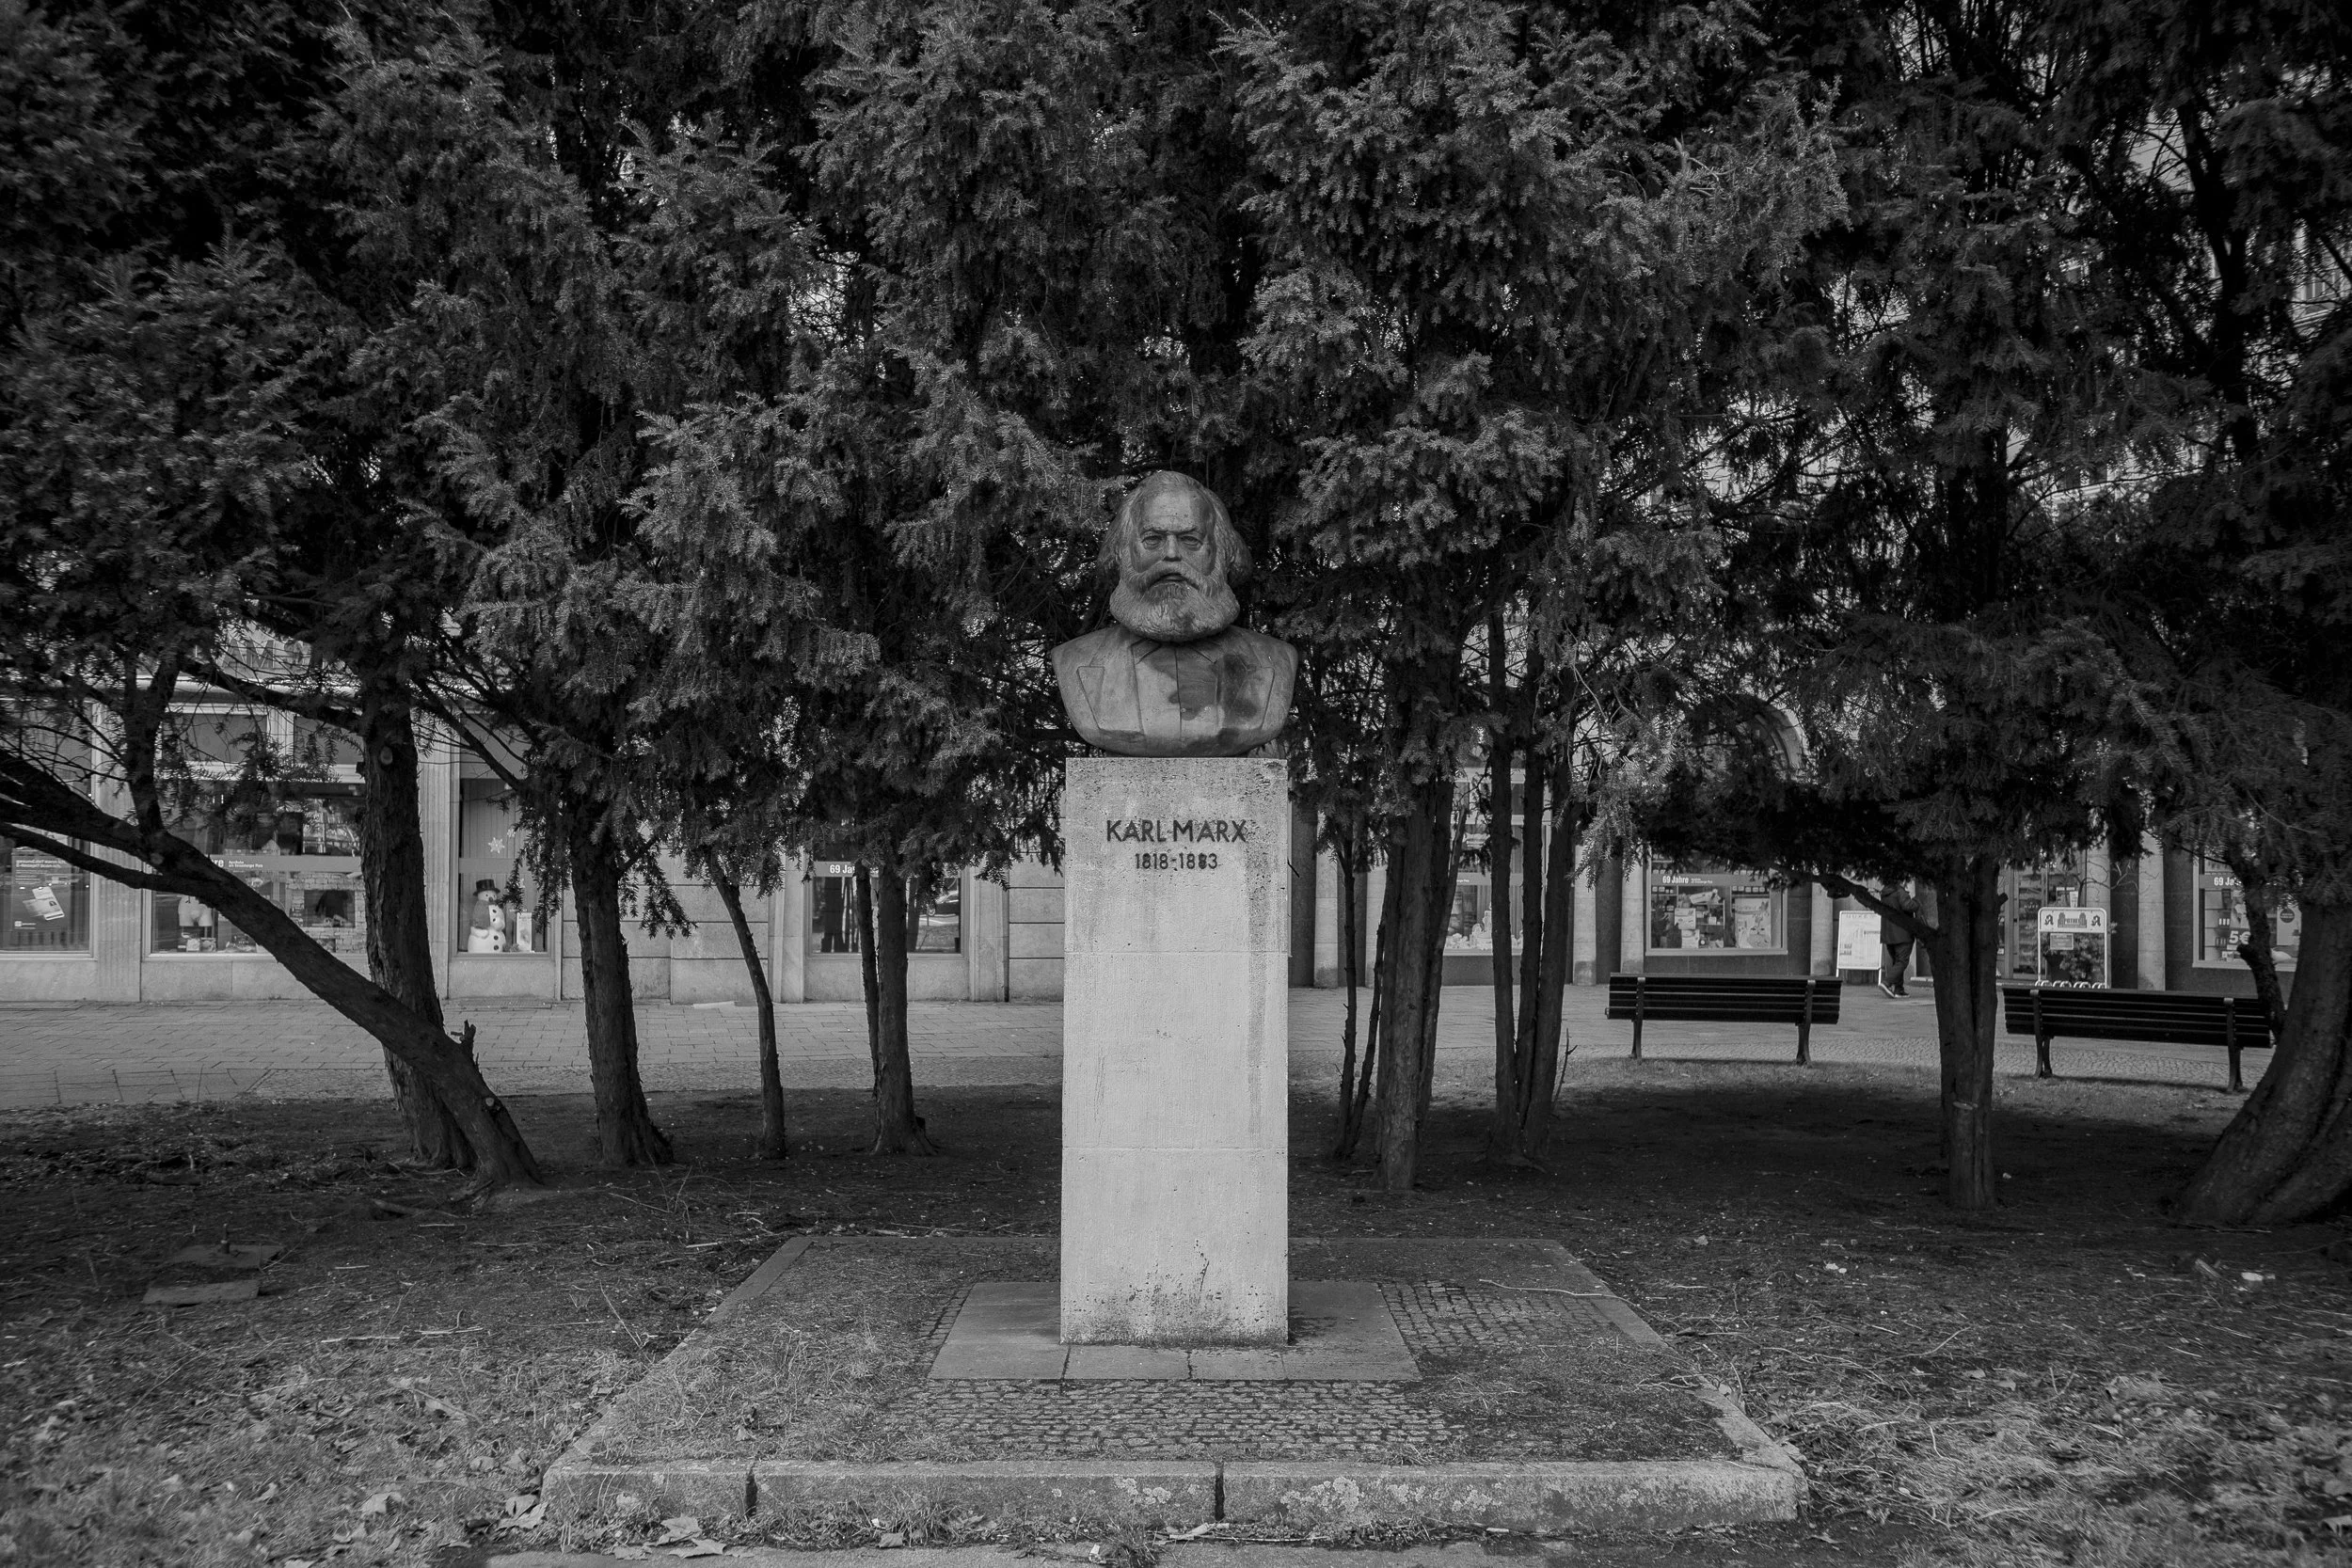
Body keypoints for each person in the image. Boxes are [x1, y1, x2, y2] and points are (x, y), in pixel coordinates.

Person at [1051, 471, 1298, 757]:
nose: (1170, 554)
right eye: (1153, 539)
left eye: (1190, 540)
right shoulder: (1076, 660)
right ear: (1123, 552)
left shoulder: (1274, 661)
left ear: (1221, 552)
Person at [1879, 882, 1917, 998]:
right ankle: (1887, 983)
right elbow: (1907, 906)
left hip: (1888, 934)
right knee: (1902, 961)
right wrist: (1917, 904)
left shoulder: (1885, 893)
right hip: (1902, 932)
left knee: (1897, 961)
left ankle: (1899, 989)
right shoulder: (1900, 891)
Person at [467, 879, 505, 953]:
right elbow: (473, 926)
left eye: (493, 895)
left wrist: (500, 924)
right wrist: (479, 933)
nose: (490, 898)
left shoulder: (498, 908)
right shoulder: (478, 909)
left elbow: (503, 923)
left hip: (499, 949)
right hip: (481, 948)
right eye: (487, 895)